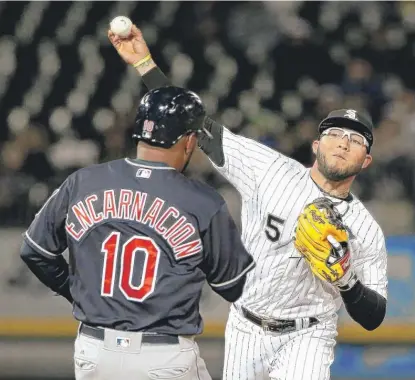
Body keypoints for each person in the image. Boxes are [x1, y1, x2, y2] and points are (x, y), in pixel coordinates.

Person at [108, 24, 388, 380]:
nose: (343, 142)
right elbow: (198, 123)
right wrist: (144, 64)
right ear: (316, 145)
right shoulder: (269, 169)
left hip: (310, 333)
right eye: (333, 133)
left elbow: (374, 317)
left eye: (356, 139)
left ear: (366, 161)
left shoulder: (365, 228)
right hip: (247, 326)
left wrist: (348, 281)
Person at [20, 86, 255, 380]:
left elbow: (34, 250)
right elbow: (233, 285)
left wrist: (77, 292)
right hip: (164, 355)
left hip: (93, 351)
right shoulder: (203, 201)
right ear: (190, 141)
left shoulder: (83, 181)